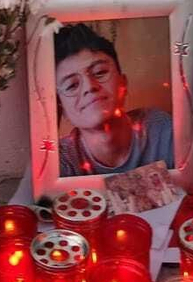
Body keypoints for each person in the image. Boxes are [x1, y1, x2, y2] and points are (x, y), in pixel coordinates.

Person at [54, 23, 176, 178]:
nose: (89, 87)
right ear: (61, 108)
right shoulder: (60, 162)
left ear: (123, 83)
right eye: (72, 85)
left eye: (100, 72)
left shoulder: (162, 131)